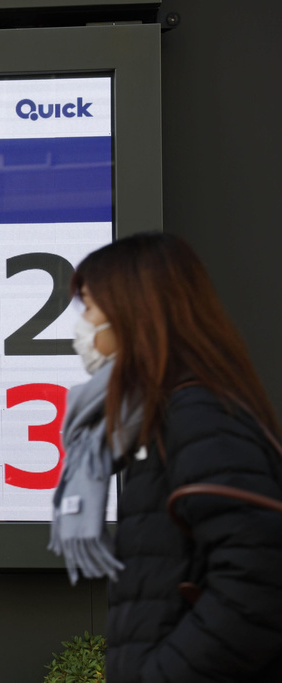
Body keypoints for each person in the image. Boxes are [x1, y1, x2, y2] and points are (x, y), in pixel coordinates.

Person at [50, 232, 282, 682]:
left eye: (91, 309)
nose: (81, 327)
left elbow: (259, 580)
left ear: (134, 314)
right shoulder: (157, 420)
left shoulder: (197, 416)